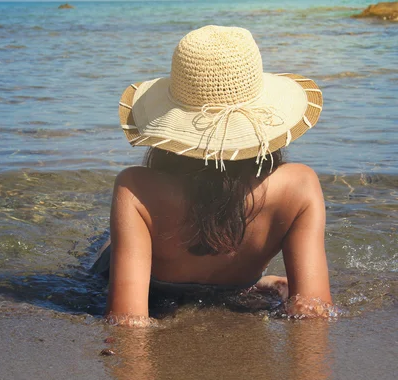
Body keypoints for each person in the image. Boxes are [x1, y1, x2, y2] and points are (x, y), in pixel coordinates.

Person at [93, 26, 333, 326]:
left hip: (154, 290)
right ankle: (256, 285)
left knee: (102, 242)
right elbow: (313, 310)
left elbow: (127, 320)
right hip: (234, 288)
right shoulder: (299, 185)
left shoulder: (137, 188)